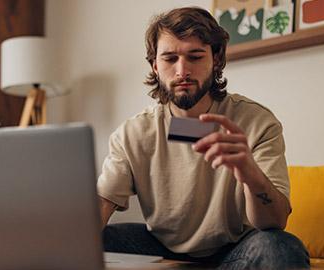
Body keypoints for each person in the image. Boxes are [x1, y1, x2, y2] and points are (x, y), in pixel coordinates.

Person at [97, 7, 310, 269]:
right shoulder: (133, 134)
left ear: (216, 59)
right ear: (155, 65)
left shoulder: (257, 123)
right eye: (170, 58)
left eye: (195, 56)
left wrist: (249, 172)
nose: (182, 71)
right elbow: (101, 206)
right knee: (94, 240)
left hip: (235, 250)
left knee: (281, 246)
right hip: (163, 247)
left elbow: (274, 222)